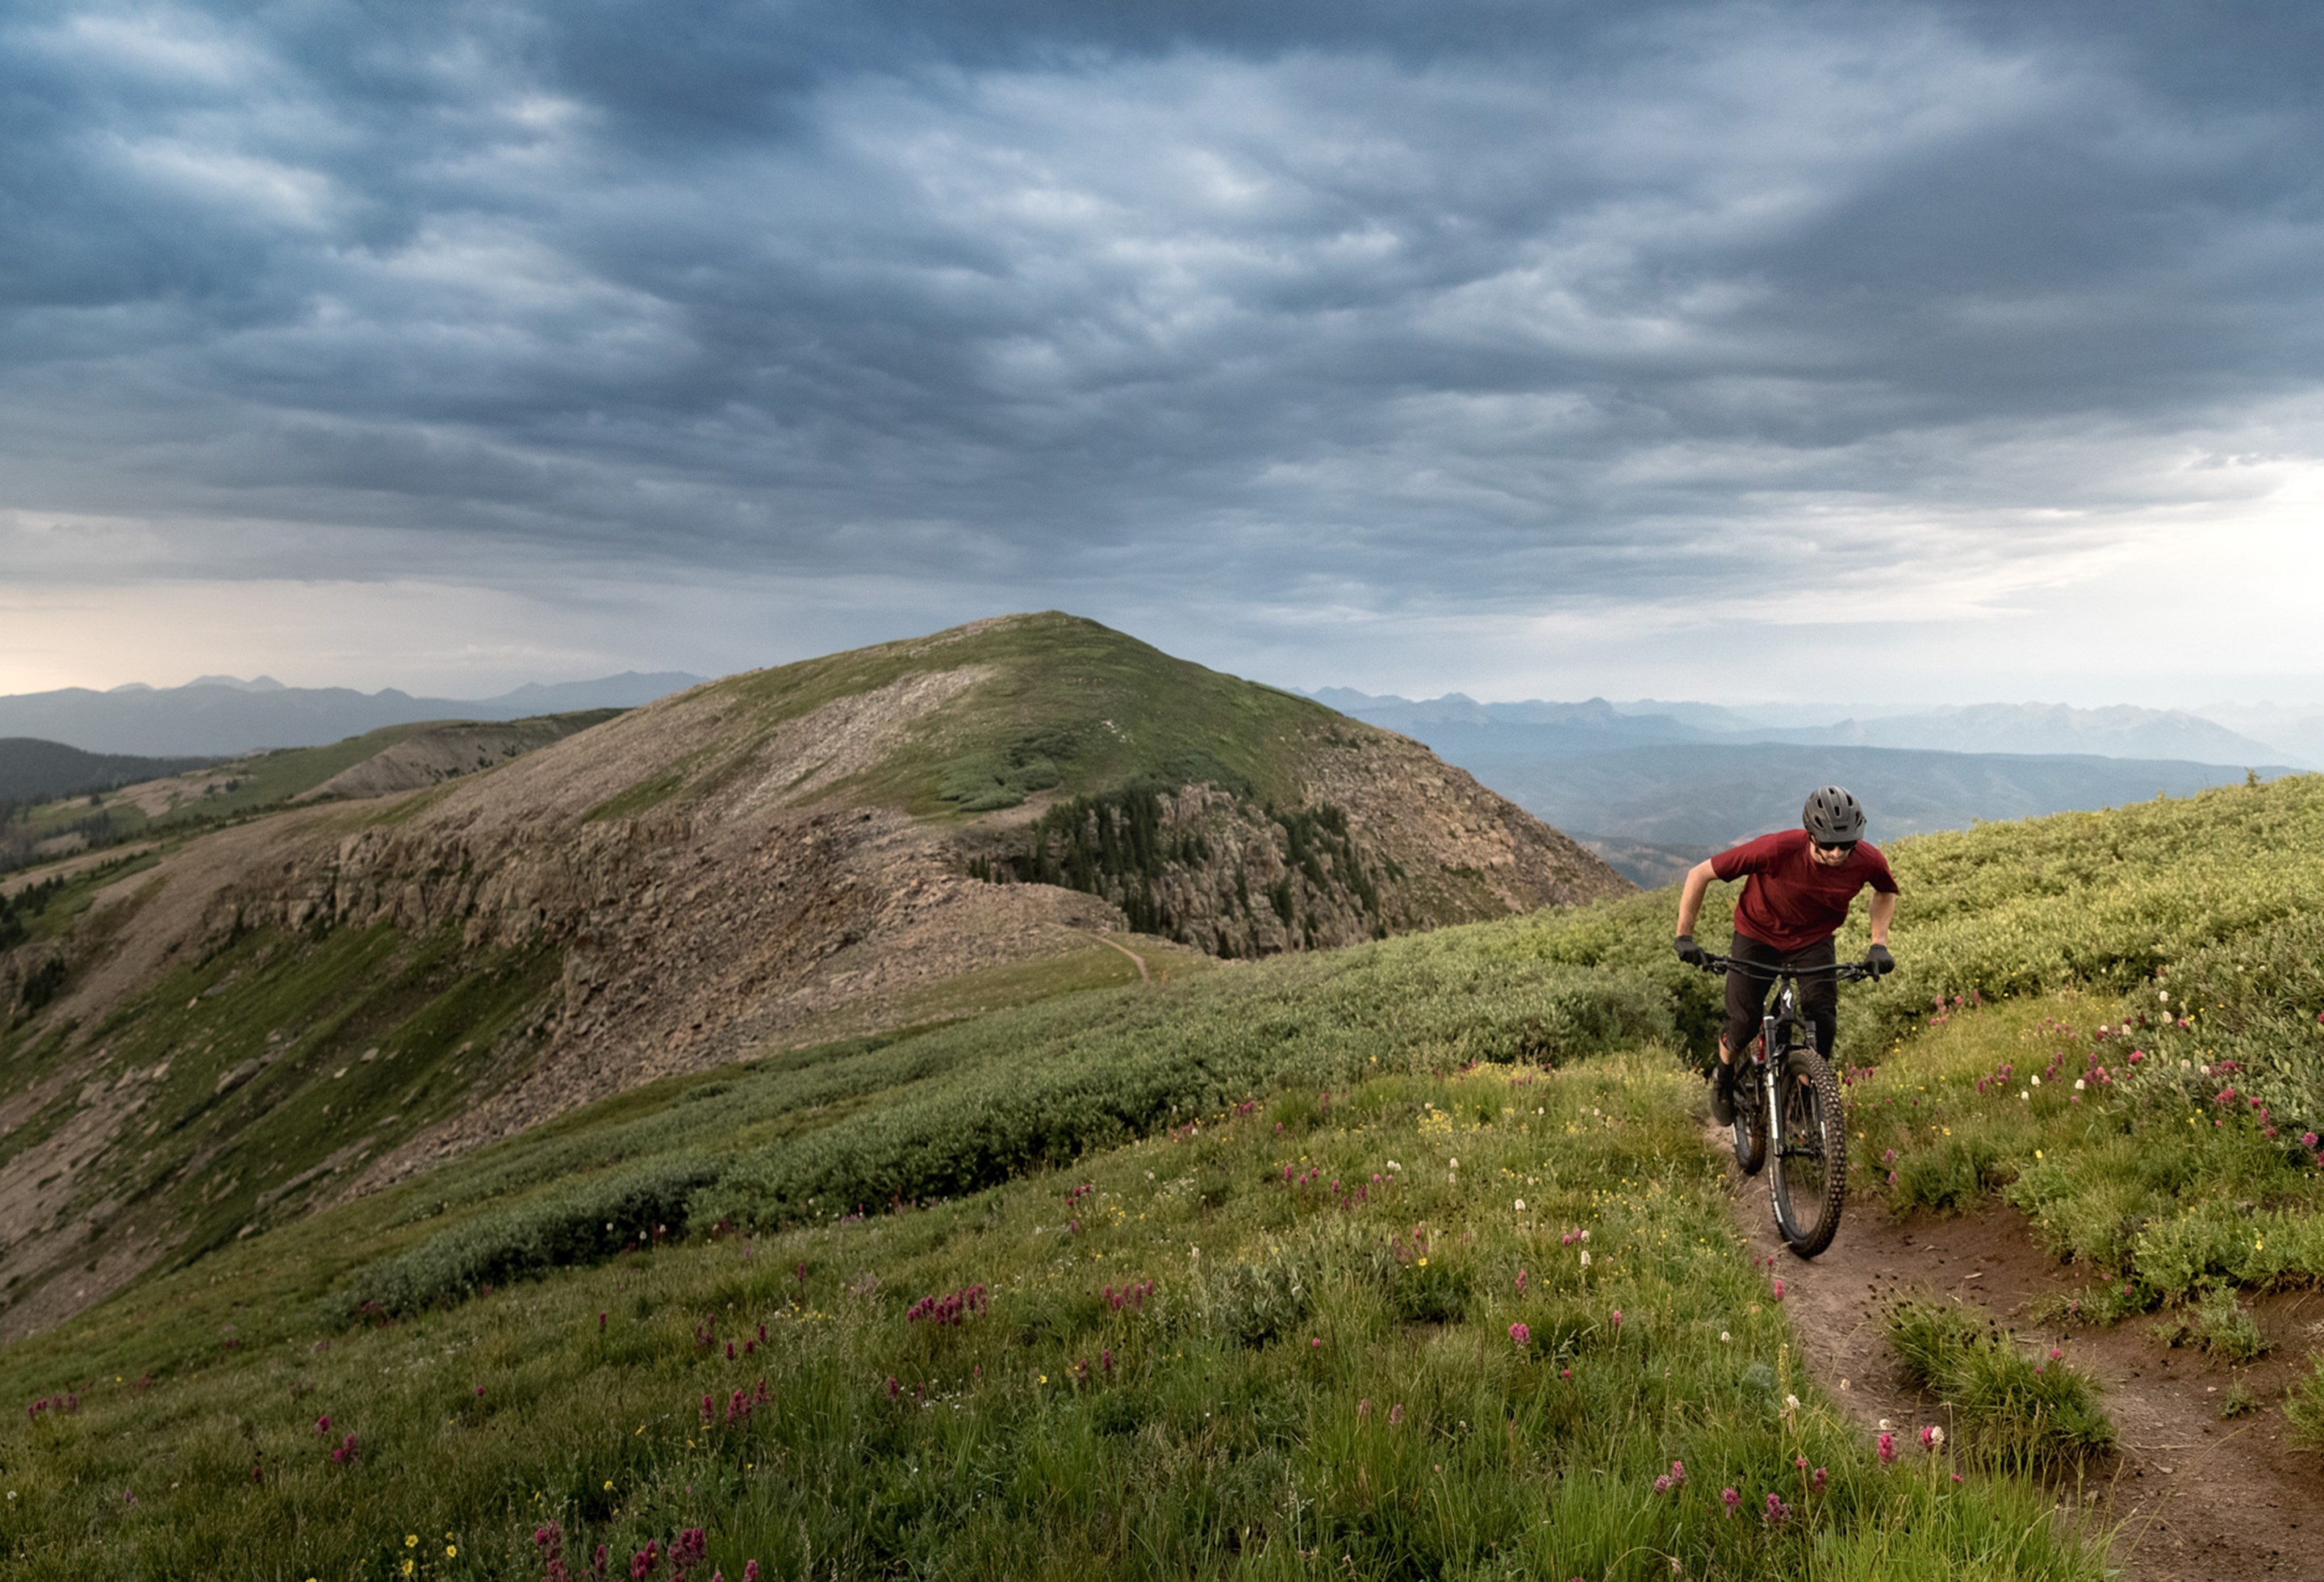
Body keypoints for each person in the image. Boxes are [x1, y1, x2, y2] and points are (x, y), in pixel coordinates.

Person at [1672, 786, 1898, 1124]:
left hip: (1813, 939)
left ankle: (1807, 1093)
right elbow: (1699, 874)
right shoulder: (1776, 849)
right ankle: (1724, 1074)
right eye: (1827, 844)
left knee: (1822, 1016)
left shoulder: (1868, 859)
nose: (1837, 853)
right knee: (1744, 1022)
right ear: (1810, 835)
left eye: (1847, 844)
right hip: (1757, 934)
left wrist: (1878, 943)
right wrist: (1684, 936)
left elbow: (1885, 891)